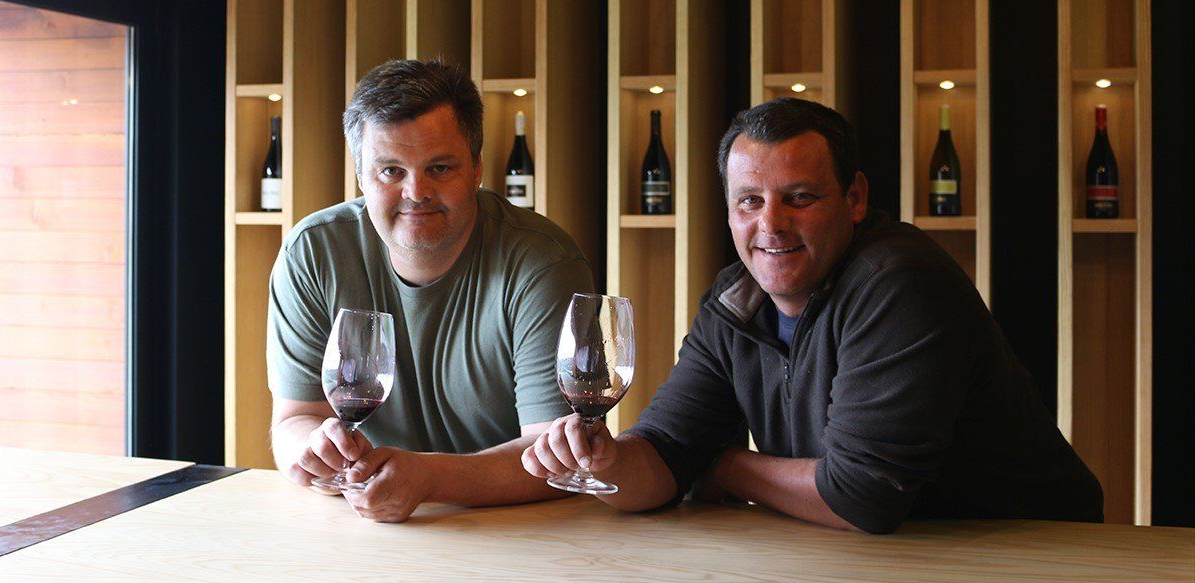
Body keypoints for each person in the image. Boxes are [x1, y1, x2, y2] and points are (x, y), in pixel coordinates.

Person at [522, 97, 1103, 534]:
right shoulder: (733, 302)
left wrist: (722, 467)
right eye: (750, 201)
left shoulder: (898, 283)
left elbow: (862, 496)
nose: (771, 224)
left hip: (1037, 550)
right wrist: (608, 461)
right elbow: (665, 455)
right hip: (887, 555)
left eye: (800, 197)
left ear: (855, 198)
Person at [268, 59, 593, 522]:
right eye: (390, 171)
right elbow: (294, 419)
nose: (416, 191)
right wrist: (314, 449)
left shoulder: (543, 262)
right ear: (360, 175)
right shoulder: (313, 251)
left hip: (515, 529)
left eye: (439, 168)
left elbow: (557, 459)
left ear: (477, 169)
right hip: (360, 524)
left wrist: (428, 478)